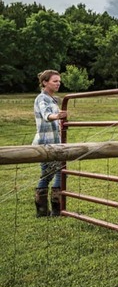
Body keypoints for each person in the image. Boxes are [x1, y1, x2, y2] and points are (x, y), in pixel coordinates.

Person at [32, 70, 67, 217]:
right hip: (46, 143)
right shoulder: (42, 98)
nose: (58, 83)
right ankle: (51, 210)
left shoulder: (53, 99)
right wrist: (56, 116)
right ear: (45, 82)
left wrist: (60, 119)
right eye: (55, 81)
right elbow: (46, 115)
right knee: (49, 174)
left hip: (55, 141)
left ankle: (49, 210)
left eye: (59, 81)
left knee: (57, 172)